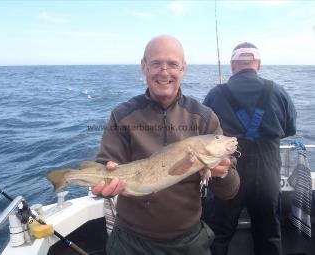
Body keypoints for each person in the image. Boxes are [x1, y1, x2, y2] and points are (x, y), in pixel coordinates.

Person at [92, 35, 240, 255]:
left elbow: (230, 190)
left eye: (172, 64)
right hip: (131, 241)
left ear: (183, 68)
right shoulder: (122, 115)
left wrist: (222, 173)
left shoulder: (204, 118)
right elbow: (105, 165)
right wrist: (103, 186)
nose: (164, 71)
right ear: (143, 67)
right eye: (156, 64)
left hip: (188, 241)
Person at [203, 42, 297, 255]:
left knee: (217, 236)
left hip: (228, 170)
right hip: (267, 173)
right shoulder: (279, 92)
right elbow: (290, 129)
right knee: (269, 236)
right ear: (259, 64)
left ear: (232, 65)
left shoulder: (216, 94)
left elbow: (203, 136)